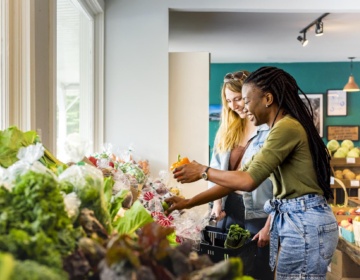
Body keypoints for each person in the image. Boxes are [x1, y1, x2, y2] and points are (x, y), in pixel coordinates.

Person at [166, 66, 338, 280]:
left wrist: (203, 171)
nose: (243, 109)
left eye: (246, 101)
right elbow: (236, 181)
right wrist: (188, 202)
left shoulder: (285, 129)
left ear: (267, 99)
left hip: (304, 221)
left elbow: (248, 181)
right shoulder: (281, 128)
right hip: (297, 219)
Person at [209, 70, 273, 279]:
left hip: (259, 212)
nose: (233, 105)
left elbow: (282, 185)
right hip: (230, 207)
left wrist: (269, 225)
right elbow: (216, 171)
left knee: (256, 270)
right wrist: (217, 205)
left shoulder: (270, 130)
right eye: (228, 100)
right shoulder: (227, 130)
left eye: (237, 99)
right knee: (227, 269)